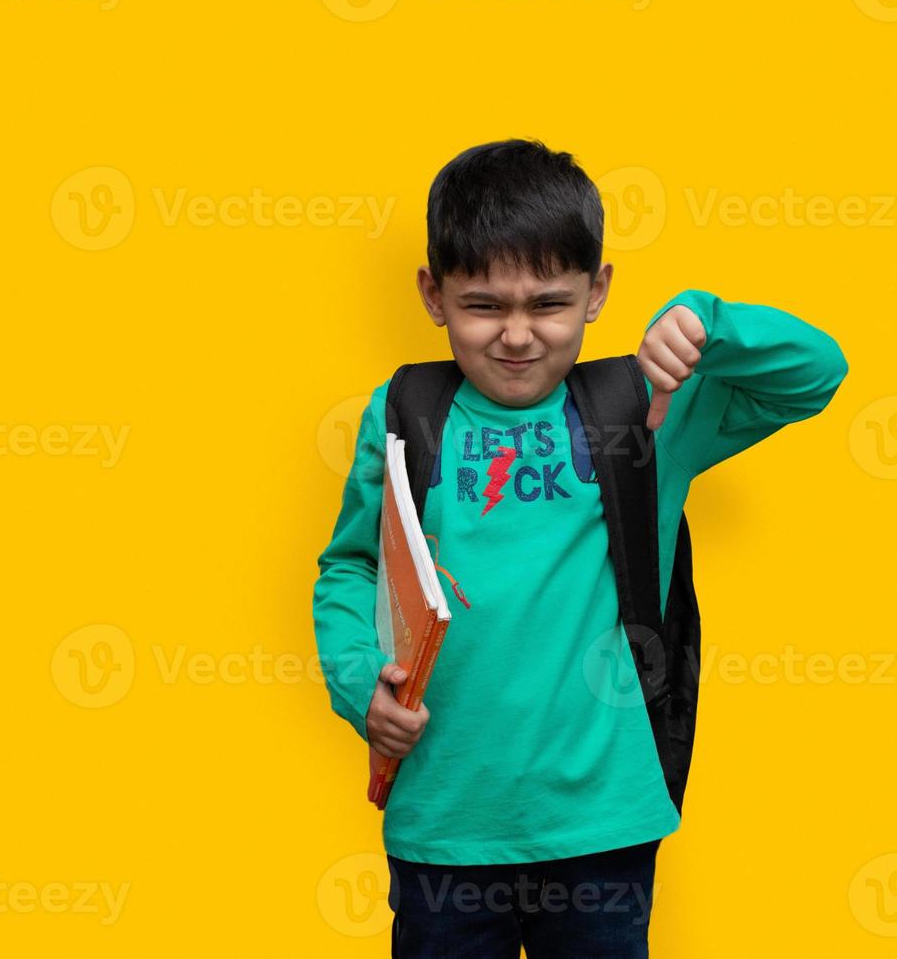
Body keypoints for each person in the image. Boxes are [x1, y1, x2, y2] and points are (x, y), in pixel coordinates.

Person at [311, 138, 848, 957]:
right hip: (444, 826)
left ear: (598, 292)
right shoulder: (405, 409)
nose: (518, 336)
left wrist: (709, 322)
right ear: (433, 294)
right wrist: (360, 687)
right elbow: (352, 565)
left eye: (549, 304)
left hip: (604, 823)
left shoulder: (648, 408)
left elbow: (818, 372)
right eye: (483, 305)